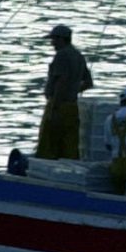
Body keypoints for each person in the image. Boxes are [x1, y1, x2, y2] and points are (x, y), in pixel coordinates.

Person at [34, 24, 92, 159]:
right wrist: (73, 91)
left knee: (48, 145)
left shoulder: (62, 55)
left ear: (62, 39)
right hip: (72, 107)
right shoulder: (78, 56)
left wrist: (55, 106)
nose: (52, 43)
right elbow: (89, 83)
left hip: (58, 106)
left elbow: (61, 81)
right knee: (70, 145)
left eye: (53, 39)